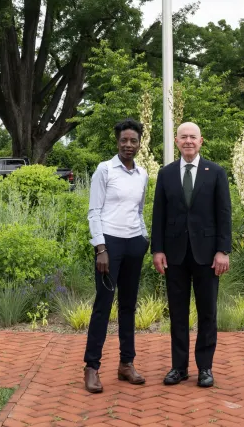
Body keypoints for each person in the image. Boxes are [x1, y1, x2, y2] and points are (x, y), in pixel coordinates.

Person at [151, 121, 232, 389]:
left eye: (193, 137)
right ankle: (179, 367)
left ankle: (205, 368)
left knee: (207, 312)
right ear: (176, 141)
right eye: (183, 137)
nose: (188, 141)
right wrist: (157, 249)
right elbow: (158, 215)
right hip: (174, 255)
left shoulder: (216, 172)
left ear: (201, 141)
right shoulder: (166, 173)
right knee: (177, 313)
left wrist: (223, 251)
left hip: (207, 255)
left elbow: (224, 214)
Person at [83, 118, 151, 394]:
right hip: (109, 246)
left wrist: (144, 239)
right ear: (117, 141)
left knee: (128, 306)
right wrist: (101, 248)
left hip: (134, 243)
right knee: (103, 305)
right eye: (124, 140)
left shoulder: (142, 174)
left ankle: (126, 364)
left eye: (133, 140)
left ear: (139, 144)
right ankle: (91, 367)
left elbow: (139, 210)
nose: (128, 145)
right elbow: (93, 211)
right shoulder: (104, 170)